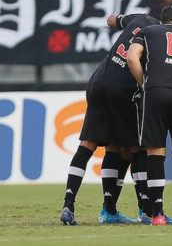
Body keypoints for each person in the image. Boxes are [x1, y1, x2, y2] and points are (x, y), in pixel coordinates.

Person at [59, 12, 157, 226]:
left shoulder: (139, 19)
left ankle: (70, 204)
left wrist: (122, 22)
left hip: (98, 82)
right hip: (124, 89)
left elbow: (111, 19)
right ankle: (147, 213)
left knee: (92, 146)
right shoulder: (161, 35)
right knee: (136, 147)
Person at [126, 5, 172, 226]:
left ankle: (157, 213)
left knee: (155, 153)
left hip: (155, 92)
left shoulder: (147, 31)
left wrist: (144, 84)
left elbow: (132, 58)